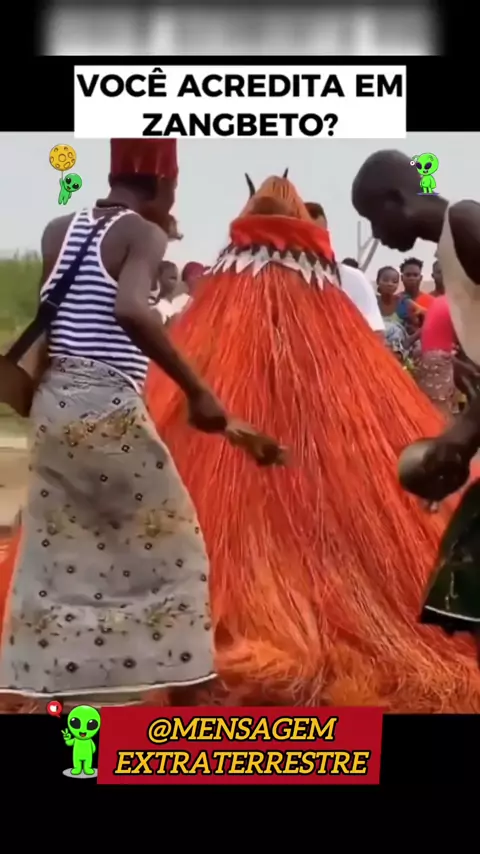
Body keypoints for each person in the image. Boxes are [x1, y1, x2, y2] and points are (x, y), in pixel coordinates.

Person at [144, 170, 480, 711]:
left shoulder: (223, 314)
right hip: (317, 436)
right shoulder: (322, 304)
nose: (378, 232)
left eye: (375, 219)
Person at [0, 138, 253, 712]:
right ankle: (187, 684)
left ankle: (47, 688)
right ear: (164, 184)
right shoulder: (143, 232)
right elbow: (130, 309)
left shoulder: (58, 229)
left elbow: (57, 317)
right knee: (176, 545)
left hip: (52, 407)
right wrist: (197, 390)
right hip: (105, 406)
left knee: (61, 549)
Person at [352, 147, 480, 643]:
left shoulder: (465, 222)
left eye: (373, 217)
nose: (377, 233)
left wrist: (465, 430)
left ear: (394, 199)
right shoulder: (452, 246)